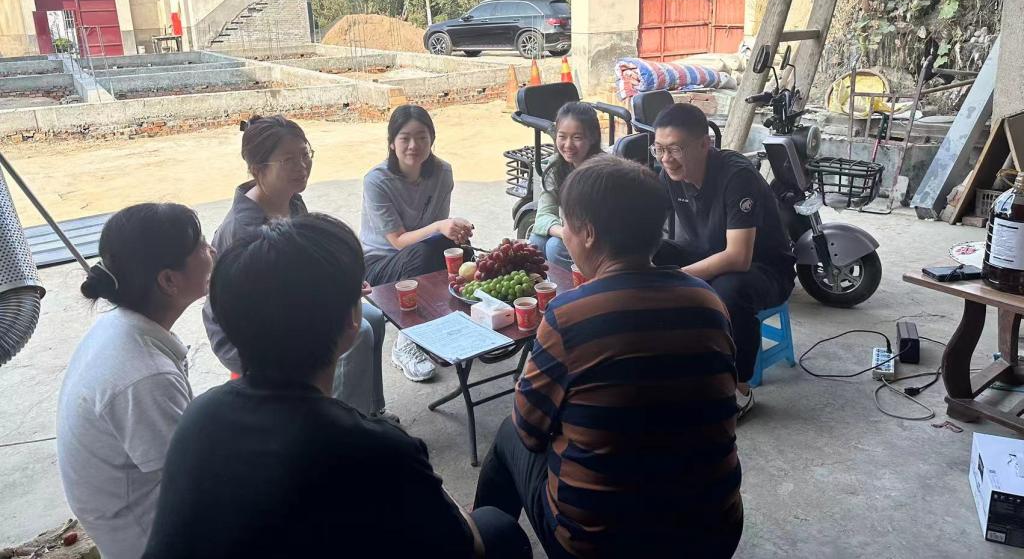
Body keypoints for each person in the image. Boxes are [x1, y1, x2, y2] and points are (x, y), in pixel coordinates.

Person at [143, 214, 531, 559]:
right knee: (497, 528)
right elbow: (467, 545)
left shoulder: (199, 417)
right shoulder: (376, 446)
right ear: (351, 320)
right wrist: (446, 500)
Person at [474, 157, 743, 559]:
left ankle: (481, 540)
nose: (563, 234)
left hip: (602, 545)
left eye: (566, 224)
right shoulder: (708, 301)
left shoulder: (569, 315)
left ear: (588, 233)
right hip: (715, 532)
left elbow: (530, 431)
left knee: (509, 433)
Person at [202, 114, 390, 419]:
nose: (302, 166)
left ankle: (369, 410)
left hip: (291, 308)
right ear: (258, 169)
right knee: (359, 332)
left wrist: (341, 285)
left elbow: (302, 270)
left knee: (373, 317)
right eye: (288, 160)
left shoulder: (291, 201)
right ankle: (341, 424)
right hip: (253, 334)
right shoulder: (243, 229)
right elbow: (267, 305)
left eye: (305, 154)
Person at [56, 203, 214, 559]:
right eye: (202, 245)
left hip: (129, 514)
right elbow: (198, 480)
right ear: (168, 280)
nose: (212, 250)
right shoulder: (146, 376)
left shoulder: (120, 327)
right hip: (149, 540)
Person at [651, 102, 796, 419]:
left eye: (674, 149)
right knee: (649, 253)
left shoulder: (737, 176)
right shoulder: (669, 173)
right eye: (659, 149)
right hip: (706, 252)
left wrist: (677, 278)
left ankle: (739, 388)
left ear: (705, 144)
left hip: (764, 268)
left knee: (729, 290)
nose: (665, 158)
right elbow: (646, 223)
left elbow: (738, 257)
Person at [361, 104, 474, 382]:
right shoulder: (376, 181)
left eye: (422, 137)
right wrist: (440, 226)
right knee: (424, 254)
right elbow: (399, 241)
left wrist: (456, 229)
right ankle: (407, 341)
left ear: (432, 140)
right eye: (405, 138)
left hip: (419, 252)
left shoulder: (442, 172)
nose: (414, 145)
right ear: (392, 143)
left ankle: (452, 325)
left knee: (462, 254)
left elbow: (438, 235)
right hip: (379, 264)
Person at [528, 101, 603, 270]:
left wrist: (569, 236)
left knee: (555, 247)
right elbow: (543, 215)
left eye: (577, 138)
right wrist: (564, 233)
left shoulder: (604, 171)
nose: (568, 145)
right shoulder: (556, 166)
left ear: (593, 137)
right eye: (562, 136)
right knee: (536, 242)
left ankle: (581, 284)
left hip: (600, 242)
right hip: (571, 233)